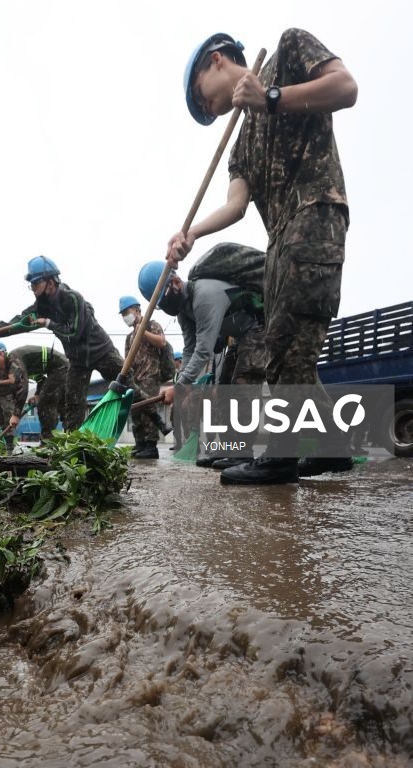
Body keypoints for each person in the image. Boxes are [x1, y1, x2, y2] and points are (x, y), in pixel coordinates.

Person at [168, 29, 358, 485]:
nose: (208, 110)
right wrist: (190, 233)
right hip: (279, 236)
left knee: (285, 344)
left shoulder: (288, 50)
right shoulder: (240, 141)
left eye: (202, 98)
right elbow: (235, 206)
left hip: (314, 213)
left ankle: (281, 455)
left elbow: (346, 88)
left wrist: (271, 96)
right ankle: (332, 448)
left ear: (216, 61)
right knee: (289, 346)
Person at [0, 256, 138, 432]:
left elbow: (74, 333)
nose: (32, 289)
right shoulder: (41, 307)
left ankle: (156, 423)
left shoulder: (72, 298)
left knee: (130, 386)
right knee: (73, 404)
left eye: (35, 284)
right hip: (77, 361)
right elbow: (15, 324)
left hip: (101, 352)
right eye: (30, 285)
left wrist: (49, 323)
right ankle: (75, 446)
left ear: (50, 282)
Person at [138, 257, 265, 466]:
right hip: (241, 336)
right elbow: (189, 349)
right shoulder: (183, 312)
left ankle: (244, 452)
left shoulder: (204, 295)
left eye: (165, 297)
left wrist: (179, 387)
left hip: (259, 326)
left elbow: (204, 350)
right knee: (223, 390)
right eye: (161, 304)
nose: (167, 305)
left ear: (176, 282)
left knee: (244, 384)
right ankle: (228, 449)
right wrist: (181, 383)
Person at [119, 295, 166, 459]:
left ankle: (151, 446)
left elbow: (161, 342)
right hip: (135, 378)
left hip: (150, 376)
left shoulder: (152, 325)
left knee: (148, 410)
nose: (125, 316)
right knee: (136, 413)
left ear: (137, 310)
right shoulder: (129, 337)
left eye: (127, 311)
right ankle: (140, 443)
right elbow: (127, 359)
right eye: (123, 314)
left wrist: (143, 332)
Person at [10, 345, 68, 443]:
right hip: (59, 368)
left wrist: (16, 414)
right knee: (61, 405)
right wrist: (37, 394)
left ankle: (48, 441)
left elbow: (23, 388)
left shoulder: (14, 362)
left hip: (60, 367)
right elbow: (41, 379)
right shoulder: (25, 366)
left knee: (46, 404)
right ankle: (69, 439)